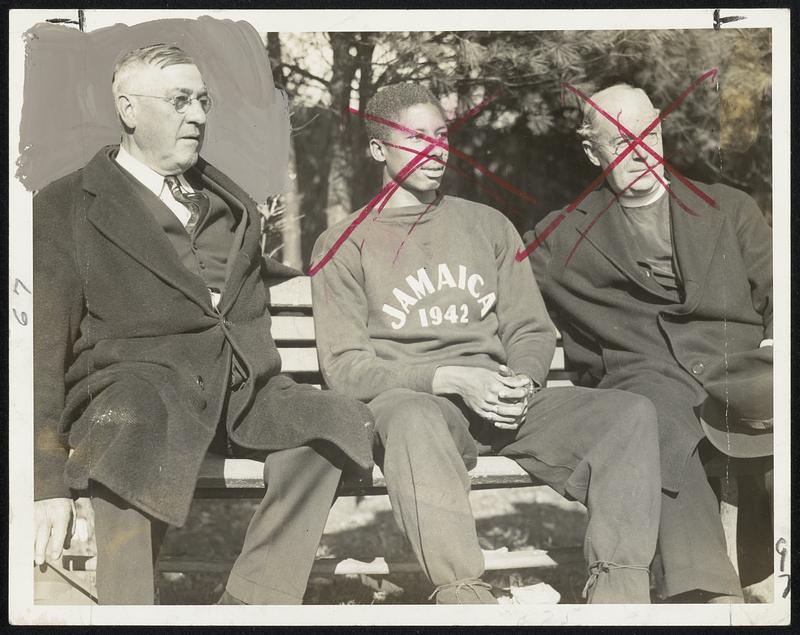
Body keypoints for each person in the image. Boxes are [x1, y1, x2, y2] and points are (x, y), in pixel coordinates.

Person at [32, 43, 374, 605]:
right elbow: (42, 350)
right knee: (131, 424)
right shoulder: (66, 205)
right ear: (128, 109)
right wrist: (45, 479)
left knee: (335, 421)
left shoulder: (226, 200)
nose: (198, 115)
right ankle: (129, 611)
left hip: (244, 394)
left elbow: (235, 285)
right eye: (180, 100)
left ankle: (251, 604)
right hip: (139, 391)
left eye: (203, 100)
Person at [311, 83, 663, 604]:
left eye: (441, 135)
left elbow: (530, 328)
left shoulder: (488, 225)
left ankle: (620, 597)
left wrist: (523, 377)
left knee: (629, 415)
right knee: (413, 417)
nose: (435, 150)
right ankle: (465, 598)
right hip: (419, 410)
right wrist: (447, 378)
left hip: (502, 403)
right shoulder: (345, 243)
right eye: (415, 138)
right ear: (377, 149)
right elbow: (345, 367)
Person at [526, 83, 773, 603]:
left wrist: (774, 352)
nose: (640, 150)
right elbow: (496, 288)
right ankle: (706, 594)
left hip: (743, 375)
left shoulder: (730, 208)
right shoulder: (561, 238)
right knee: (648, 417)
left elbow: (782, 292)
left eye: (649, 131)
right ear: (592, 152)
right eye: (619, 142)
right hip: (649, 383)